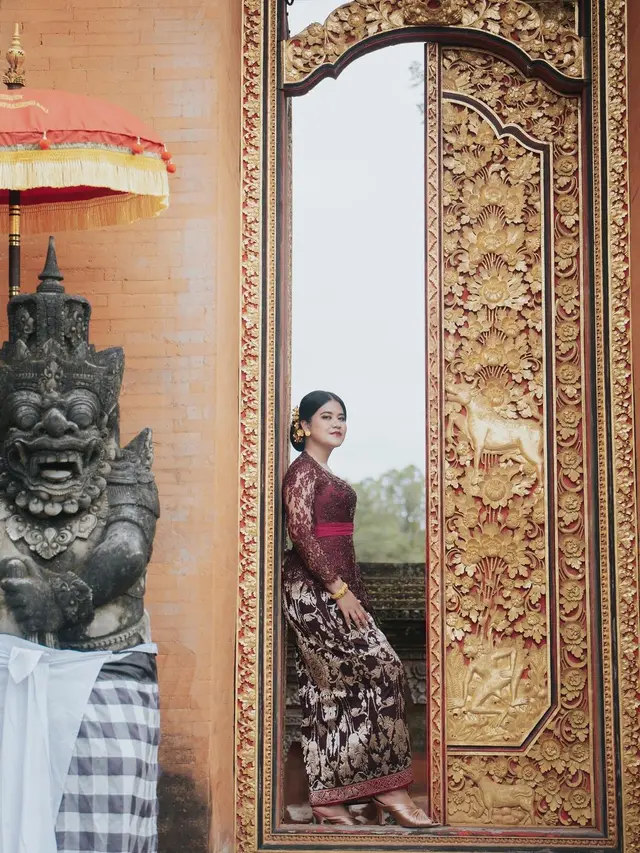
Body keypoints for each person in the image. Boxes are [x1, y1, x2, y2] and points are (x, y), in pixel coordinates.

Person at [282, 390, 435, 828]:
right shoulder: (302, 473)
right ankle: (388, 791)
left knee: (332, 690)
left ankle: (333, 800)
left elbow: (340, 543)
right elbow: (302, 534)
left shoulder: (325, 473)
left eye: (342, 417)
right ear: (305, 426)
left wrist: (354, 594)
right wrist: (337, 589)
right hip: (313, 592)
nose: (337, 424)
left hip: (337, 588)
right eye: (326, 416)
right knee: (382, 668)